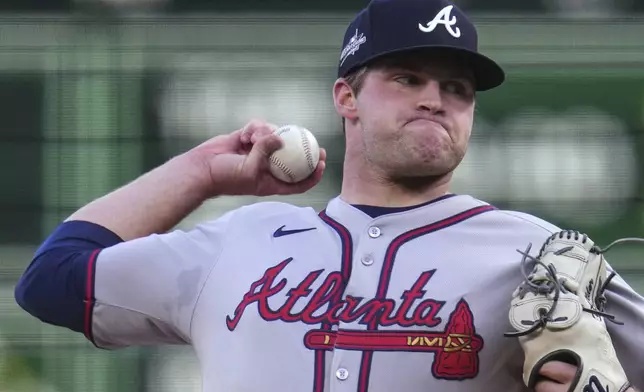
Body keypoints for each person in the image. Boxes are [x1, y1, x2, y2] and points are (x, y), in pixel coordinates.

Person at [13, 0, 644, 391]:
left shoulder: (540, 255)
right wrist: (200, 172)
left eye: (458, 87)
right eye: (407, 77)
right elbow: (52, 281)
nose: (435, 99)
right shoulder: (242, 240)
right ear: (346, 97)